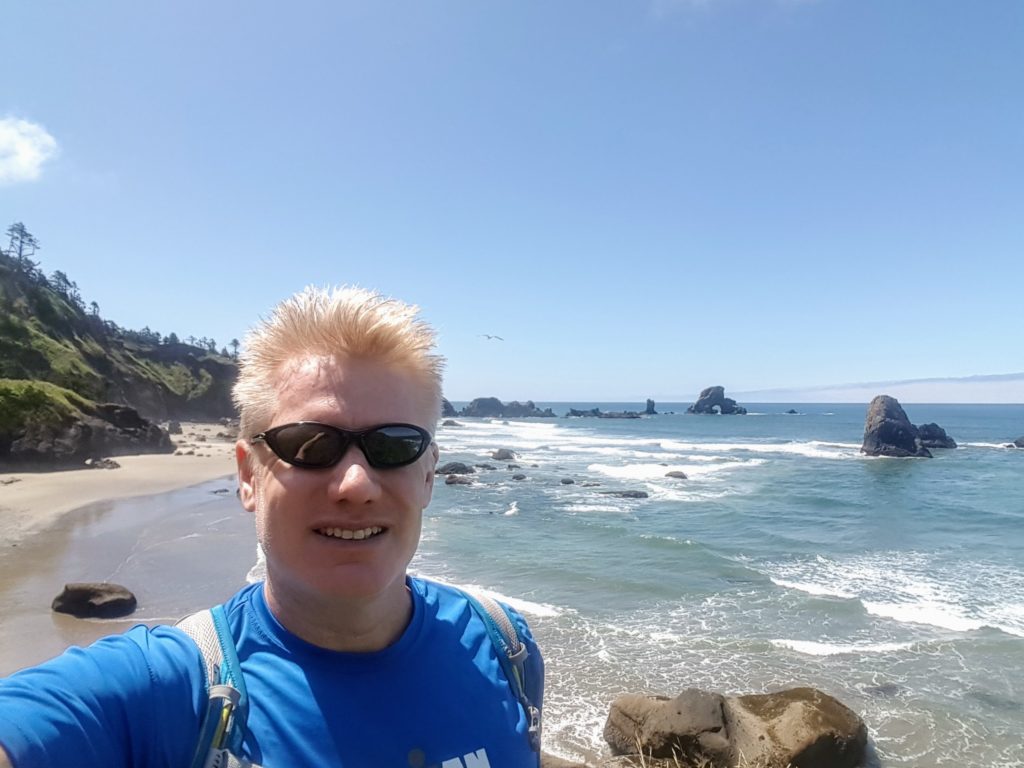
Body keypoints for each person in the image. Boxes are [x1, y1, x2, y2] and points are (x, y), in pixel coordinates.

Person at [0, 286, 543, 768]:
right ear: (248, 475)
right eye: (309, 445)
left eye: (394, 446)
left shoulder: (504, 646)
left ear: (428, 474)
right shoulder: (166, 691)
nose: (356, 483)